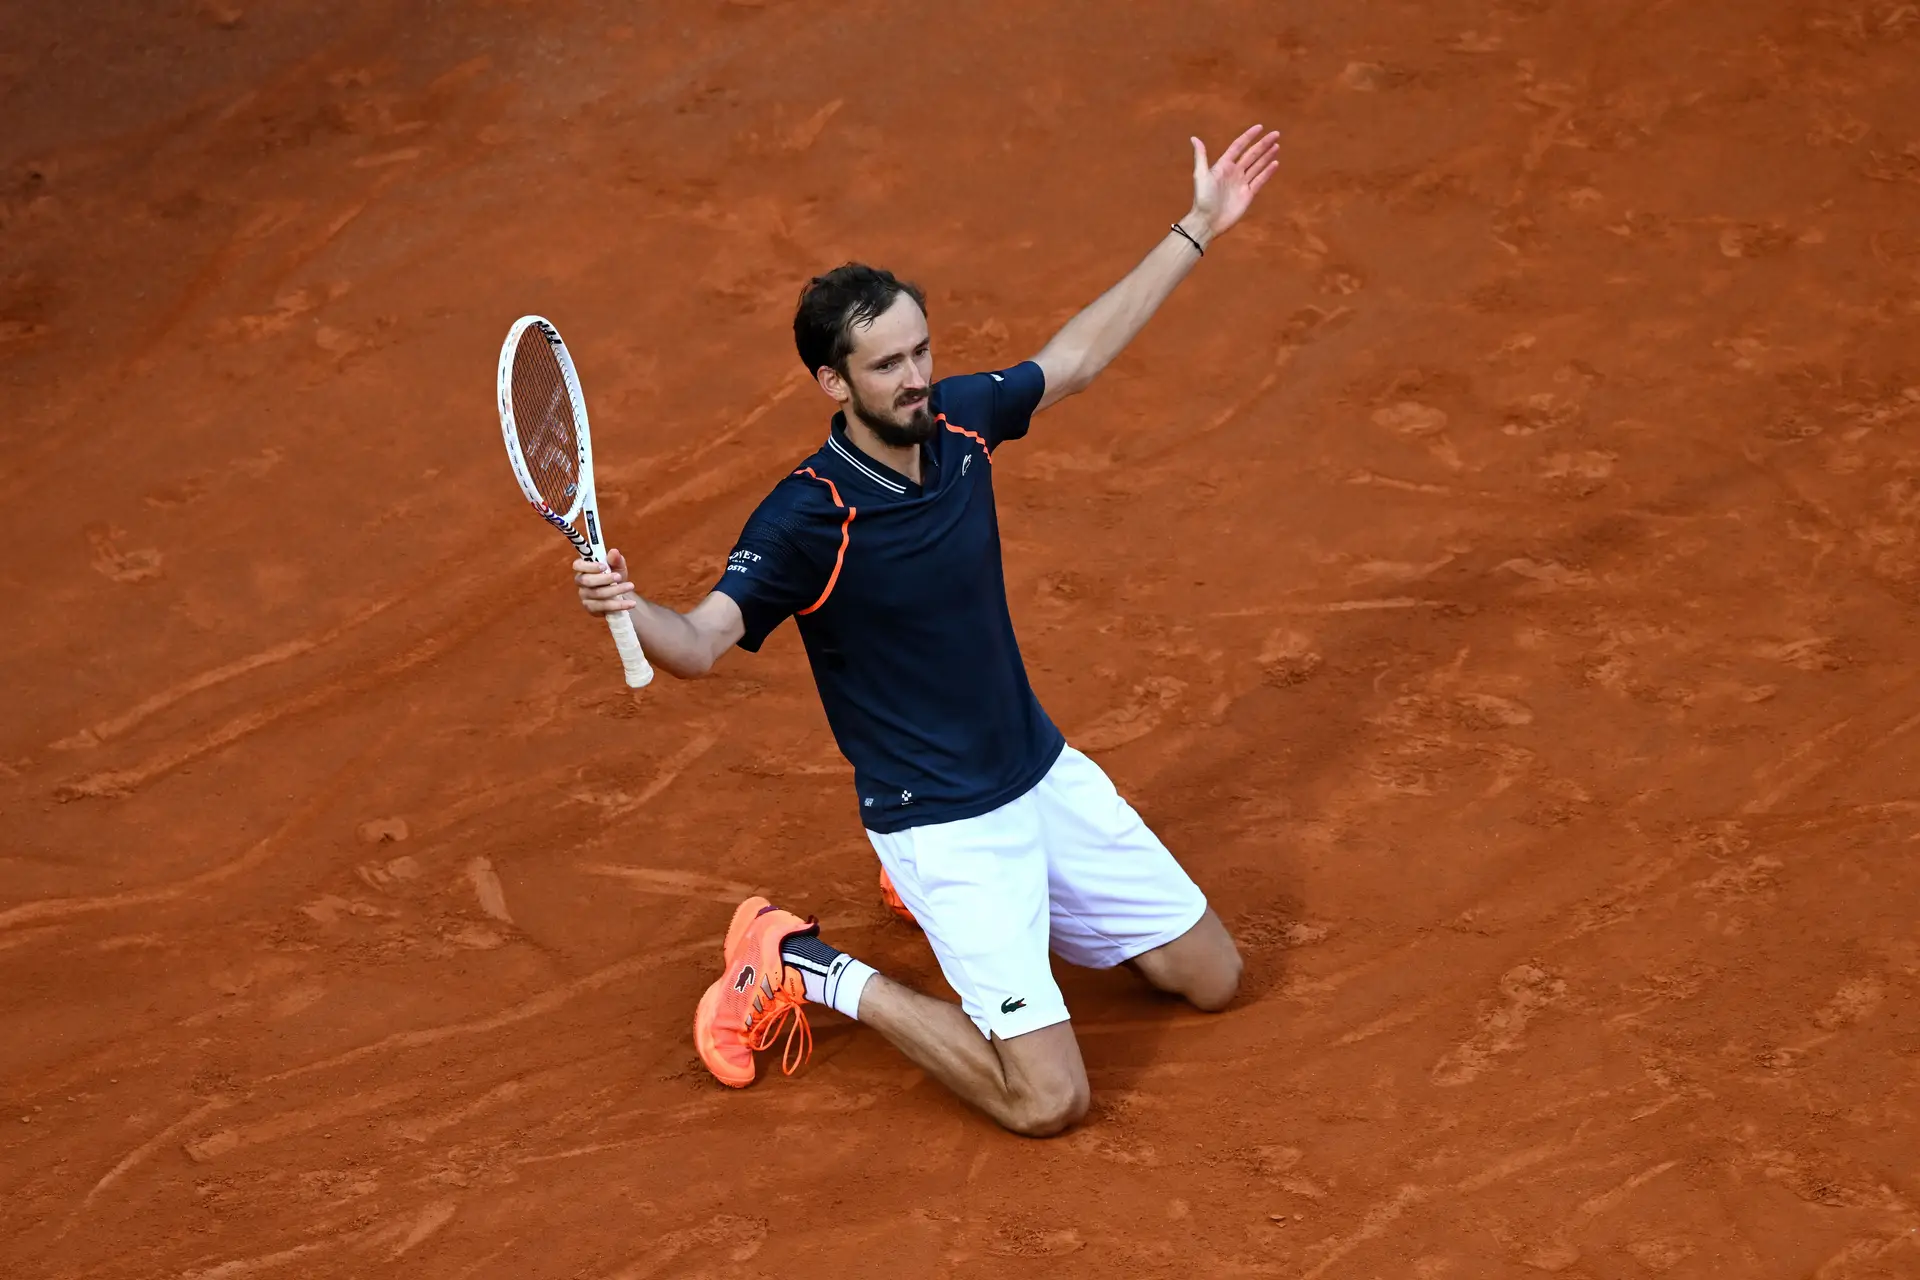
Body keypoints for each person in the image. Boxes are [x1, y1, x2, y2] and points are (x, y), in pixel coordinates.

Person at [573, 125, 1281, 1136]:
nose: (916, 377)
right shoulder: (806, 518)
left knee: (1212, 975)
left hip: (1037, 769)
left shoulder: (957, 424)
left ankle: (948, 909)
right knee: (1048, 1099)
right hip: (941, 818)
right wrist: (628, 607)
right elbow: (696, 642)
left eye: (922, 350)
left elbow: (1072, 358)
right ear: (833, 383)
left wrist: (1198, 225)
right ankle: (804, 962)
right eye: (888, 365)